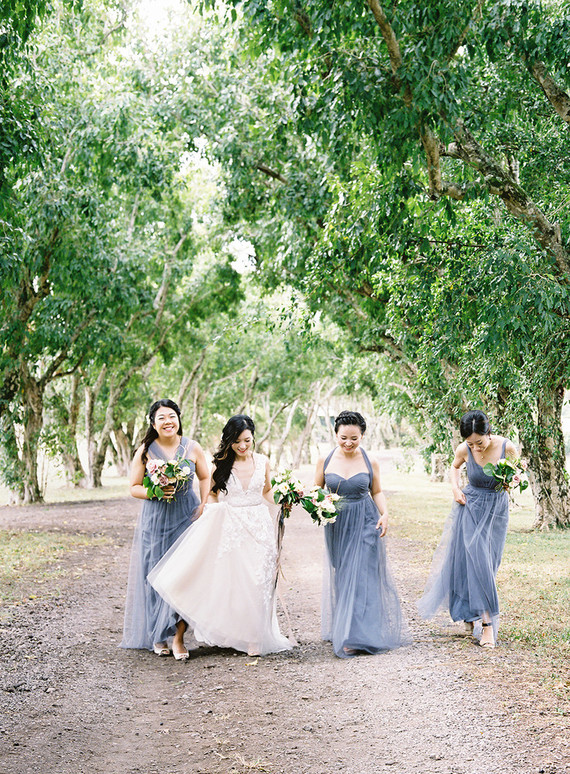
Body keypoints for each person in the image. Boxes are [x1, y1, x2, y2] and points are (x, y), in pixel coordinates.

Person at [148, 414, 292, 657]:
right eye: (237, 441)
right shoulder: (222, 464)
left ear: (253, 437)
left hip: (259, 525)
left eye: (247, 440)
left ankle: (255, 636)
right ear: (230, 441)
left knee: (260, 580)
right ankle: (241, 633)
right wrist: (215, 512)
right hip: (233, 526)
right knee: (240, 582)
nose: (243, 446)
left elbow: (267, 491)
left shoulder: (263, 461)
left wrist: (284, 499)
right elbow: (212, 494)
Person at [417, 409, 517, 649]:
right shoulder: (465, 450)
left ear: (489, 433)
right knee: (475, 562)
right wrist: (455, 488)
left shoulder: (507, 448)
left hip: (496, 512)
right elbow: (454, 467)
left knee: (489, 565)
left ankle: (471, 614)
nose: (476, 448)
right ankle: (487, 627)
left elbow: (515, 474)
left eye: (480, 443)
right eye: (471, 443)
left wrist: (511, 481)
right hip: (470, 507)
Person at [120, 399, 210, 660]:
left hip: (187, 517)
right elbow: (134, 487)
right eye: (161, 417)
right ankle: (158, 636)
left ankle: (179, 638)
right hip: (155, 521)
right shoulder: (145, 451)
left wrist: (204, 504)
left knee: (185, 577)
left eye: (172, 416)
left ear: (179, 418)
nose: (168, 421)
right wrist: (154, 490)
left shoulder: (192, 448)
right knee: (155, 578)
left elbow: (205, 477)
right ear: (153, 423)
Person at [315, 410, 405, 658]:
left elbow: (376, 491)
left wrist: (384, 514)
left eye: (354, 438)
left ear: (362, 436)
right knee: (344, 574)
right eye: (343, 437)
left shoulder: (369, 461)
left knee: (363, 575)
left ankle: (361, 636)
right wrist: (319, 503)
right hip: (337, 523)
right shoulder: (325, 460)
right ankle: (345, 627)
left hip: (366, 520)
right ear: (335, 434)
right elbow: (316, 490)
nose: (348, 443)